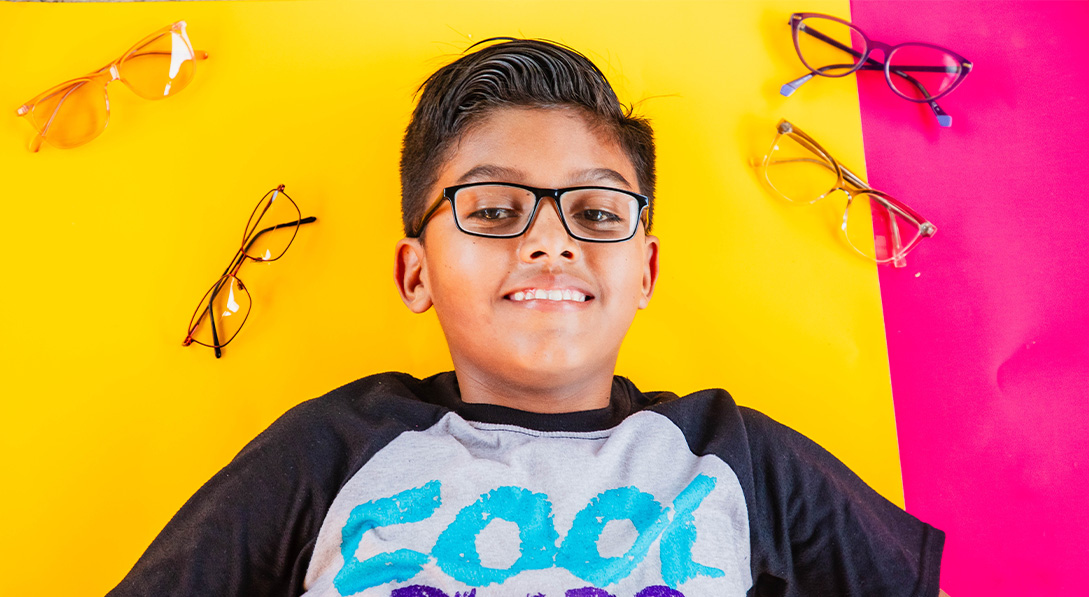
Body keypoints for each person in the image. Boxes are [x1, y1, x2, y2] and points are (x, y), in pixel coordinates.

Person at [108, 39, 947, 597]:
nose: (549, 241)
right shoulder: (329, 449)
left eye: (593, 211)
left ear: (645, 269)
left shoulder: (737, 455)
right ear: (415, 272)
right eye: (497, 210)